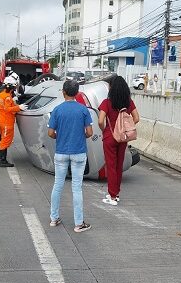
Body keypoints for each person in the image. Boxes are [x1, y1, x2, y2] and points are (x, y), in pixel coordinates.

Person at [48, 80, 93, 233]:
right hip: (79, 152)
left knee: (58, 185)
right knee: (76, 188)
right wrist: (79, 136)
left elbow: (50, 133)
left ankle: (54, 218)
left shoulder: (57, 110)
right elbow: (90, 132)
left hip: (61, 152)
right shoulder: (83, 110)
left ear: (63, 92)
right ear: (77, 93)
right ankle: (79, 223)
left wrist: (59, 137)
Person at [98, 76, 140, 206]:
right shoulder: (128, 102)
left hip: (110, 137)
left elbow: (100, 120)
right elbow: (136, 118)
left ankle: (112, 196)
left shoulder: (106, 102)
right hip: (122, 138)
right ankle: (116, 194)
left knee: (110, 166)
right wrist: (126, 127)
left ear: (111, 88)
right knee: (118, 165)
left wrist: (104, 129)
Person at [0, 74, 27, 168]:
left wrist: (13, 103)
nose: (14, 89)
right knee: (5, 141)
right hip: (6, 122)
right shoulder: (8, 97)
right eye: (14, 87)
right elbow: (7, 109)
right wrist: (18, 107)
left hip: (0, 120)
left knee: (3, 139)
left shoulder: (1, 95)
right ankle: (2, 160)